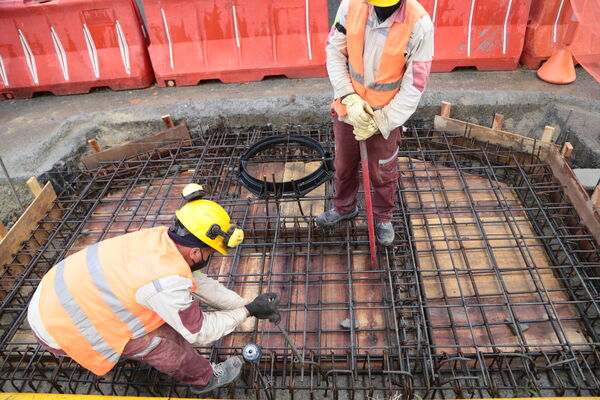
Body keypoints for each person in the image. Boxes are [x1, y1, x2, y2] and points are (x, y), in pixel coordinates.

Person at [27, 183, 280, 394]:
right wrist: (246, 311)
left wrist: (245, 305)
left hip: (54, 295)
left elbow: (197, 282)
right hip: (64, 328)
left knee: (164, 315)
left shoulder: (162, 239)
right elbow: (199, 332)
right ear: (195, 251)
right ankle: (205, 379)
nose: (211, 256)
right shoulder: (165, 282)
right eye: (211, 251)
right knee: (166, 340)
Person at [317, 0, 434, 246]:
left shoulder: (419, 24)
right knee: (343, 164)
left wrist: (382, 121)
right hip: (349, 108)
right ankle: (344, 207)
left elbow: (414, 85)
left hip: (386, 116)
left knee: (383, 171)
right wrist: (348, 96)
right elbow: (334, 50)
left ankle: (382, 217)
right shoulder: (351, 5)